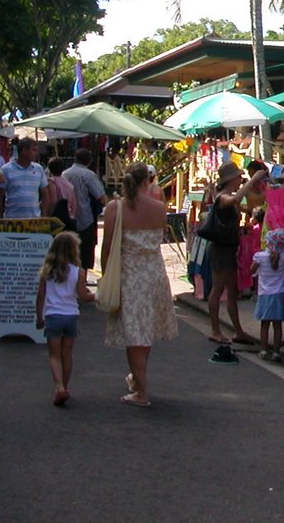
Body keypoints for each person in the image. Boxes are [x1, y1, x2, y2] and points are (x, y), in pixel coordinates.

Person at [100, 162, 178, 407]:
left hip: (130, 274)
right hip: (154, 272)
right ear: (148, 181)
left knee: (134, 333)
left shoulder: (115, 208)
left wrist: (105, 275)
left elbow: (108, 247)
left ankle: (142, 391)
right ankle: (137, 379)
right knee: (144, 331)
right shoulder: (159, 208)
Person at [207, 161, 268, 345]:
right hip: (220, 249)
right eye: (238, 177)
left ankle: (238, 331)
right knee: (217, 289)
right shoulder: (223, 197)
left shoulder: (227, 196)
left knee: (233, 291)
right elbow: (234, 201)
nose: (241, 179)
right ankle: (215, 330)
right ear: (231, 179)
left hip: (229, 247)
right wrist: (253, 181)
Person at [35, 231, 94, 406]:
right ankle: (65, 387)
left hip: (53, 315)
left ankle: (59, 387)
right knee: (67, 354)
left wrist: (39, 316)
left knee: (54, 355)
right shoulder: (78, 272)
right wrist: (97, 296)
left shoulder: (47, 271)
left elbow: (40, 296)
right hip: (71, 316)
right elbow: (83, 296)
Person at [63, 148, 107, 274]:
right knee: (85, 254)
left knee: (68, 253)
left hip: (68, 218)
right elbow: (101, 196)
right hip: (85, 218)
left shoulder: (65, 174)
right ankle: (82, 282)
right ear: (88, 161)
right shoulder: (88, 175)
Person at [251, 229, 284, 361]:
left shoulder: (259, 257)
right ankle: (276, 352)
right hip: (278, 294)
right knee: (277, 325)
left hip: (264, 293)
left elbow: (252, 270)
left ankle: (263, 350)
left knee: (265, 324)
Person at [0, 136, 48, 218]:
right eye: (34, 150)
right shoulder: (6, 169)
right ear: (24, 151)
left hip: (34, 220)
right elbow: (0, 197)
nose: (36, 153)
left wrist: (44, 214)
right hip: (13, 220)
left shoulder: (39, 169)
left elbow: (45, 194)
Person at [42, 157, 78, 230]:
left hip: (56, 221)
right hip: (68, 219)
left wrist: (46, 216)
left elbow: (53, 201)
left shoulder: (51, 182)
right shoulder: (69, 184)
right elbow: (74, 205)